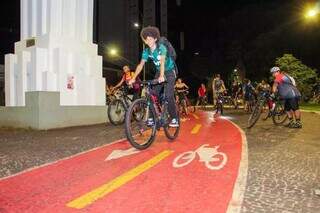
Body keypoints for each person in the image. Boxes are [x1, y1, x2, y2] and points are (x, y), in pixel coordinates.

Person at [128, 26, 179, 127]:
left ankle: (174, 118)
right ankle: (152, 118)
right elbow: (141, 65)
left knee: (169, 95)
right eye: (146, 39)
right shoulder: (146, 52)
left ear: (155, 39)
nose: (148, 41)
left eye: (150, 38)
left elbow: (162, 62)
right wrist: (133, 78)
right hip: (159, 72)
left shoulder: (162, 48)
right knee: (152, 94)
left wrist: (161, 76)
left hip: (169, 71)